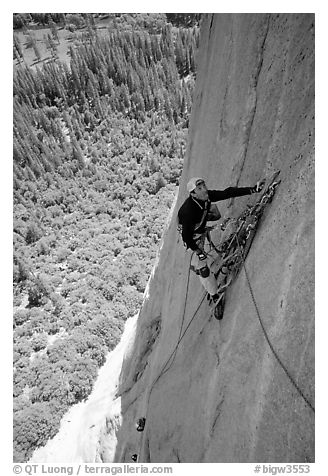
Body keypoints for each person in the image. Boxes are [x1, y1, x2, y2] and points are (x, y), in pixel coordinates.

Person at [178, 177, 264, 301]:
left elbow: (227, 193)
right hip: (192, 237)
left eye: (204, 186)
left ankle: (202, 226)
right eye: (200, 188)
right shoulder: (189, 211)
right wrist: (198, 252)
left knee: (214, 211)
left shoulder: (205, 198)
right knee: (203, 270)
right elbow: (186, 236)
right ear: (193, 194)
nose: (204, 189)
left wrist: (252, 190)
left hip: (197, 225)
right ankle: (214, 295)